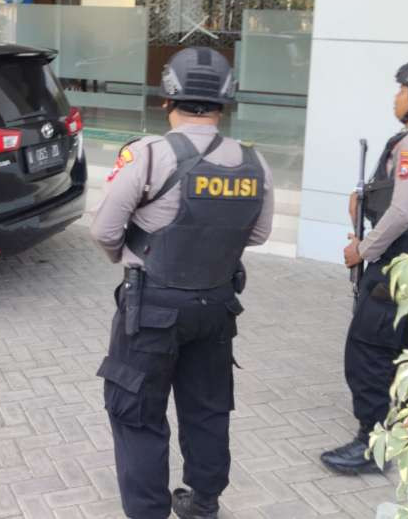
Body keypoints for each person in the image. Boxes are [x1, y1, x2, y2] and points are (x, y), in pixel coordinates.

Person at [90, 47, 275, 518]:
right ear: (223, 102)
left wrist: (132, 258)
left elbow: (105, 230)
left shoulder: (149, 155)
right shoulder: (255, 163)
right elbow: (258, 234)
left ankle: (149, 511)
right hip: (216, 307)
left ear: (168, 98)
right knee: (208, 408)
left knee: (136, 412)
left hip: (152, 307)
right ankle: (204, 502)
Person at [320, 56, 408, 475]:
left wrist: (362, 250)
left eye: (402, 90)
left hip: (400, 258)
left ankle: (372, 442)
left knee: (367, 349)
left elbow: (402, 212)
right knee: (404, 347)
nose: (396, 97)